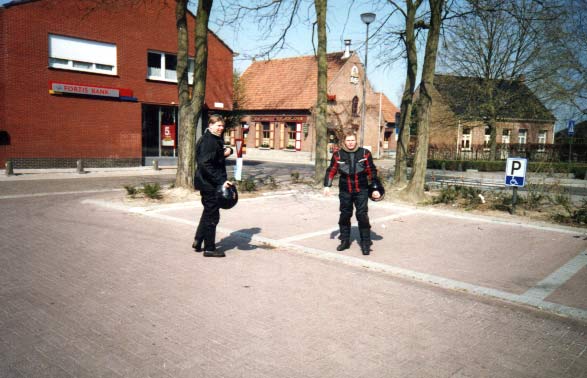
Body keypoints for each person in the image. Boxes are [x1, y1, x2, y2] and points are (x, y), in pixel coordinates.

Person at [323, 130, 381, 255]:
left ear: (356, 141)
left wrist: (376, 188)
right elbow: (331, 170)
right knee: (345, 215)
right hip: (345, 190)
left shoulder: (365, 153)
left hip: (362, 190)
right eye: (348, 140)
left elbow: (372, 170)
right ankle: (344, 241)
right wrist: (327, 185)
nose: (350, 143)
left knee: (362, 216)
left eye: (352, 140)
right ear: (344, 141)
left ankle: (365, 243)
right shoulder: (337, 155)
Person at [193, 114, 233, 257]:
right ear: (210, 125)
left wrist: (227, 153)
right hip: (209, 184)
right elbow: (205, 164)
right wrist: (221, 181)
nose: (221, 128)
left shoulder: (212, 139)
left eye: (222, 126)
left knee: (208, 212)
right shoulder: (210, 141)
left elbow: (213, 158)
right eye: (218, 125)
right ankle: (209, 248)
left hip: (207, 182)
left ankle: (198, 240)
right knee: (212, 216)